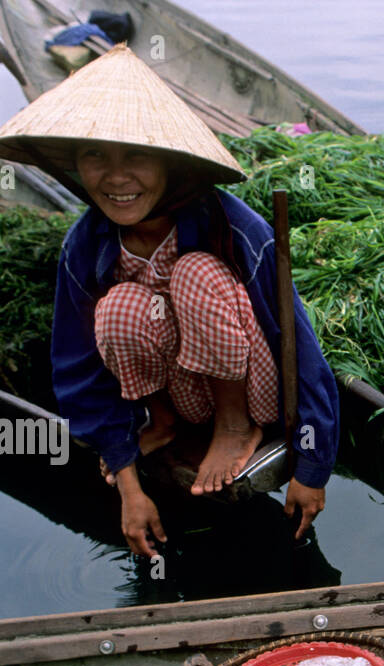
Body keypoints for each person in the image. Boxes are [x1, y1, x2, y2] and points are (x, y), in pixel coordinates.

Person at [0, 44, 338, 558]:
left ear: (169, 163)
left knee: (193, 272)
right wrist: (130, 489)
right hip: (176, 392)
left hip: (253, 392)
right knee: (117, 308)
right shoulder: (86, 245)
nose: (115, 178)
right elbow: (78, 372)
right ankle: (161, 421)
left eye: (135, 155)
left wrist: (312, 467)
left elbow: (308, 359)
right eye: (95, 155)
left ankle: (232, 426)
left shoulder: (236, 228)